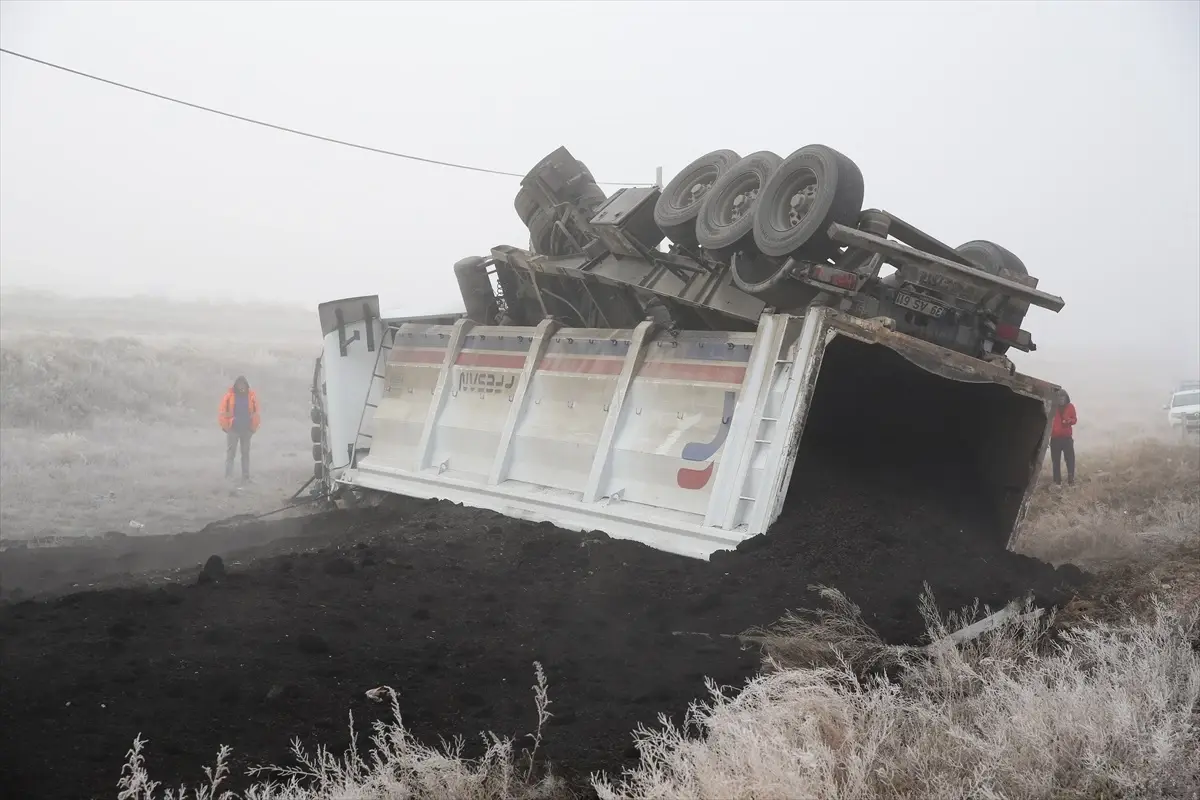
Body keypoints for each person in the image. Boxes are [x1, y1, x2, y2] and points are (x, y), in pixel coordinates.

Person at [218, 375, 261, 482]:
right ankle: (228, 477)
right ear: (235, 386)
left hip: (247, 430)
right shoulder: (229, 396)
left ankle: (246, 477)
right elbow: (222, 412)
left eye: (243, 385)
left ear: (247, 386)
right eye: (239, 385)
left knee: (245, 454)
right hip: (233, 429)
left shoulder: (251, 397)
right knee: (231, 454)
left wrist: (253, 428)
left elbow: (256, 413)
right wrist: (225, 427)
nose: (241, 387)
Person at [1049, 388, 1077, 486]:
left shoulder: (1070, 407)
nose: (1061, 400)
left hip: (1067, 439)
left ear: (1066, 398)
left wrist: (1069, 420)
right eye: (1059, 398)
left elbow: (1074, 419)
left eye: (1063, 398)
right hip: (1055, 439)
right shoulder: (1052, 408)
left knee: (1070, 460)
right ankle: (1057, 483)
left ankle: (1071, 481)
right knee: (1055, 461)